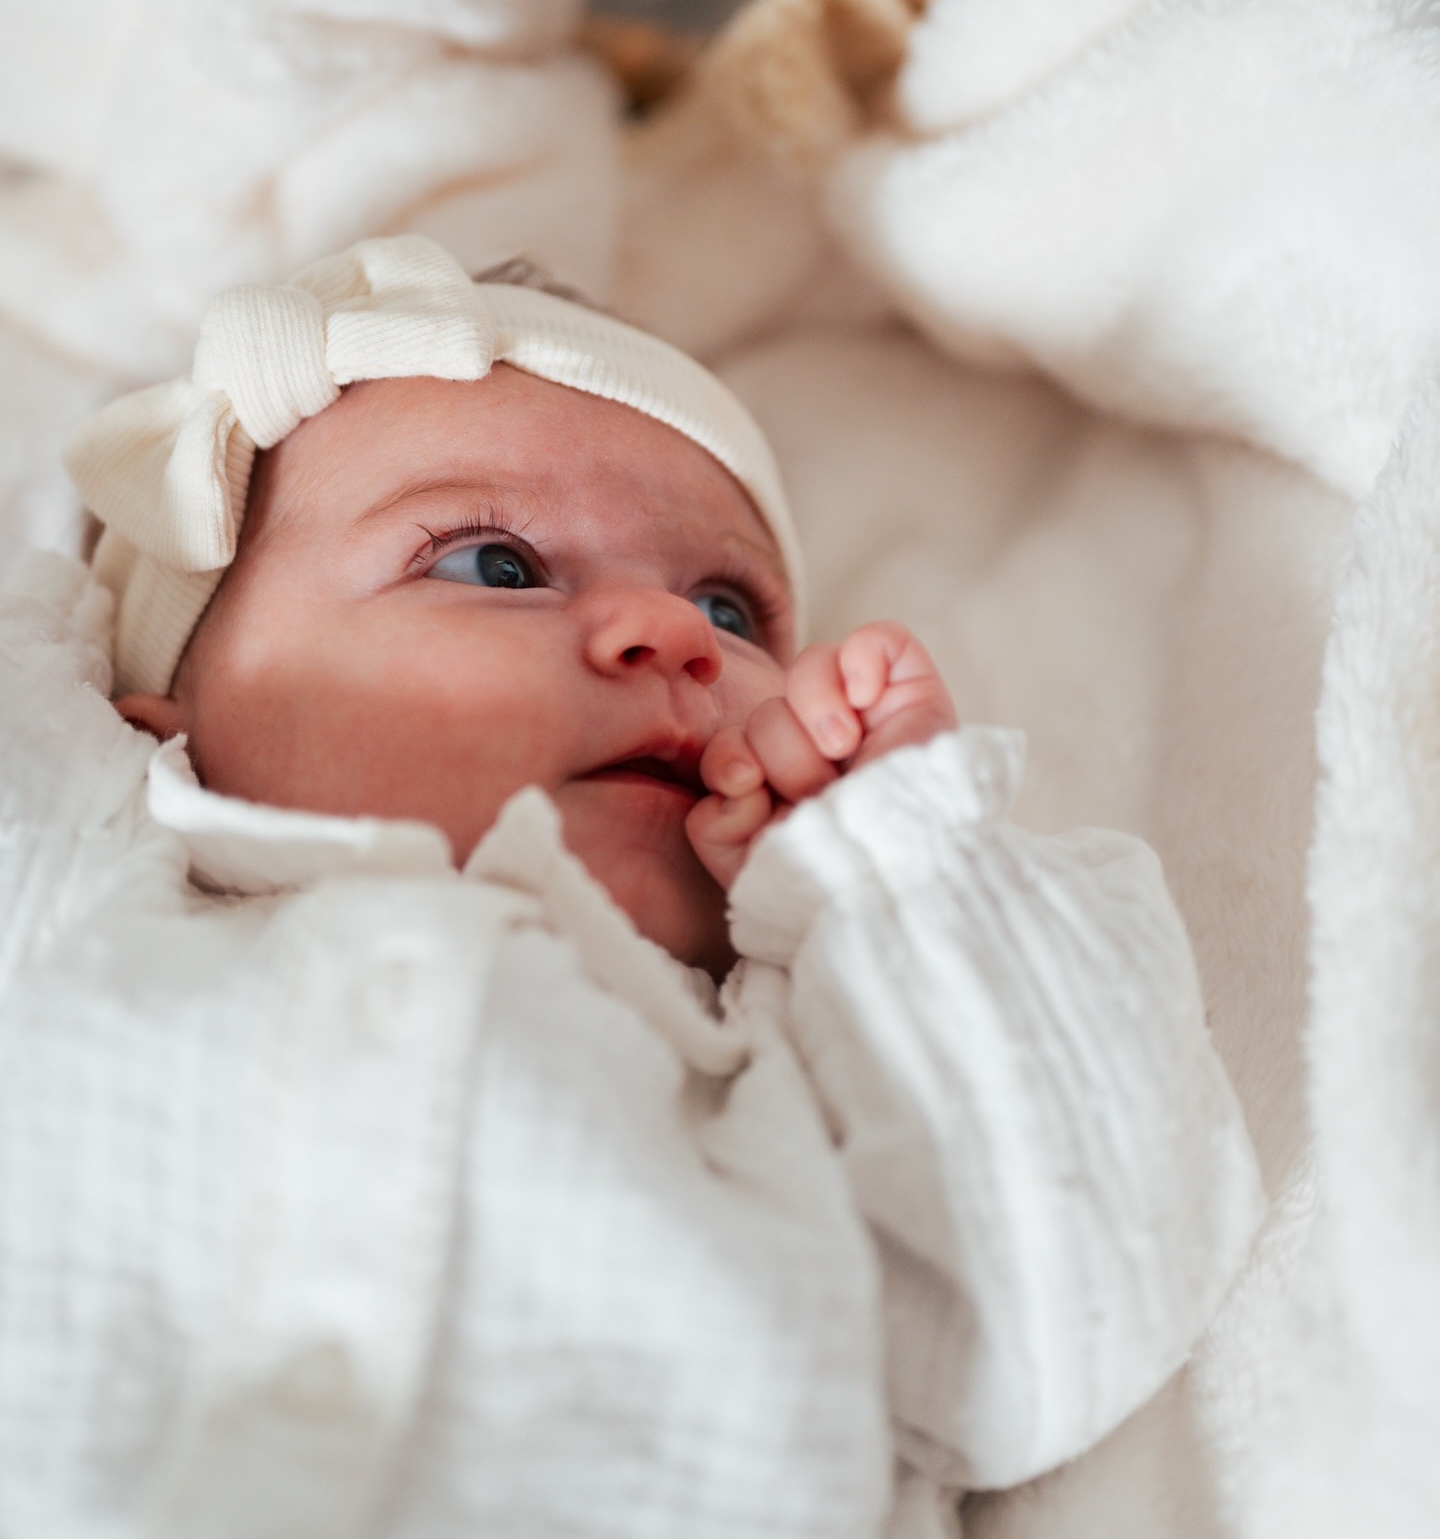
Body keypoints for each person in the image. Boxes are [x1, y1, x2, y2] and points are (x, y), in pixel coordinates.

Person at [0, 229, 1261, 1537]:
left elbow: (1080, 1298)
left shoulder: (803, 1071)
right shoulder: (75, 897)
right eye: (496, 567)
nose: (673, 638)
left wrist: (896, 859)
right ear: (157, 722)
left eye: (730, 609)